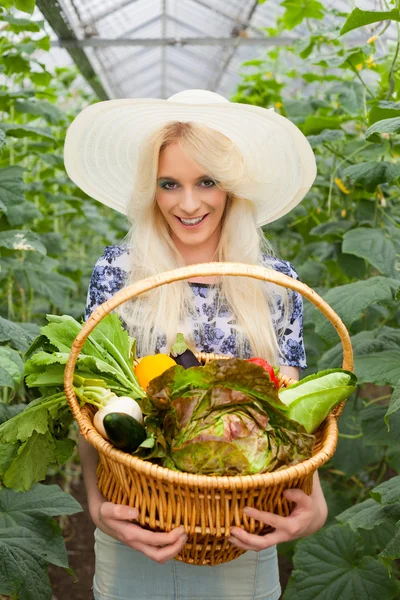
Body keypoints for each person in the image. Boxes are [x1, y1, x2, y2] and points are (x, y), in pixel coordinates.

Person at [64, 89, 328, 600]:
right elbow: (93, 401)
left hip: (244, 529)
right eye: (169, 184)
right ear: (152, 190)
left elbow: (295, 413)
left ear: (232, 187)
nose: (188, 203)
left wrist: (314, 505)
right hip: (138, 523)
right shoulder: (118, 272)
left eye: (207, 181)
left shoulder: (274, 281)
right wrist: (98, 505)